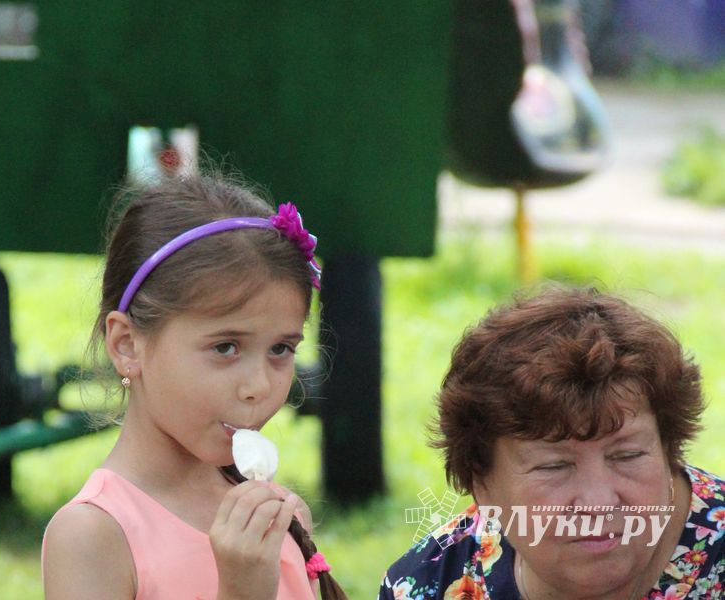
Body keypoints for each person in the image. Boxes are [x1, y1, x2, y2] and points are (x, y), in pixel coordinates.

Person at [42, 173, 347, 600]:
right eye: (225, 347)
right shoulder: (93, 536)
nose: (258, 386)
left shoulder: (280, 517)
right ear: (127, 345)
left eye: (281, 349)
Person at [380, 285, 724, 599]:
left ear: (668, 451)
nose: (597, 503)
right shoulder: (427, 586)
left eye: (627, 455)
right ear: (481, 484)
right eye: (554, 466)